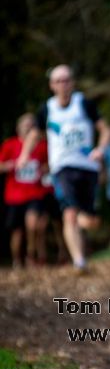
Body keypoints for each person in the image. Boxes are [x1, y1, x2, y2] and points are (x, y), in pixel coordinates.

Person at [16, 65, 110, 271]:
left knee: (90, 221)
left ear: (72, 82)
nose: (63, 84)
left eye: (66, 80)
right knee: (69, 213)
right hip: (61, 167)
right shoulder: (47, 109)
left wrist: (100, 149)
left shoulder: (84, 104)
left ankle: (82, 224)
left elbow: (105, 129)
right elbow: (34, 134)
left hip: (88, 166)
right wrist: (24, 155)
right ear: (52, 85)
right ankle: (79, 261)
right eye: (58, 81)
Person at [0, 113, 49, 267]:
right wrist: (9, 165)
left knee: (33, 224)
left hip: (35, 193)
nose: (28, 127)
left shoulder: (41, 146)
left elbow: (50, 164)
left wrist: (43, 169)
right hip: (14, 196)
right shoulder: (9, 145)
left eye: (31, 125)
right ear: (18, 128)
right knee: (17, 232)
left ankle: (30, 253)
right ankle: (16, 260)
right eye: (25, 125)